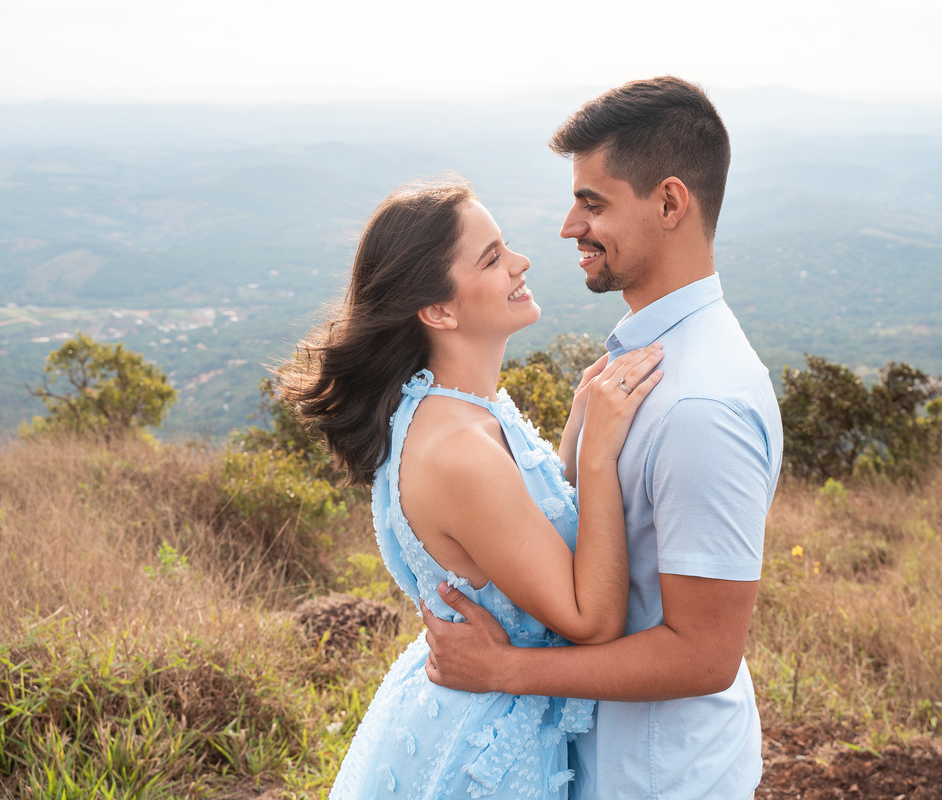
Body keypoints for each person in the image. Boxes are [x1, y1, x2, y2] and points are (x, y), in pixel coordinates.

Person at [422, 77, 784, 799]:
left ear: (670, 203)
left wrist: (506, 672)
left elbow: (704, 655)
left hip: (656, 776)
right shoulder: (635, 366)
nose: (567, 226)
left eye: (593, 203)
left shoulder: (698, 405)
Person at [279, 178, 665, 799]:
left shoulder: (464, 407)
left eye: (504, 244)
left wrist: (572, 435)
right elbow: (590, 621)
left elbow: (527, 529)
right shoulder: (457, 449)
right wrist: (597, 460)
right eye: (491, 257)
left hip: (485, 720)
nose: (521, 261)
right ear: (439, 310)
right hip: (481, 756)